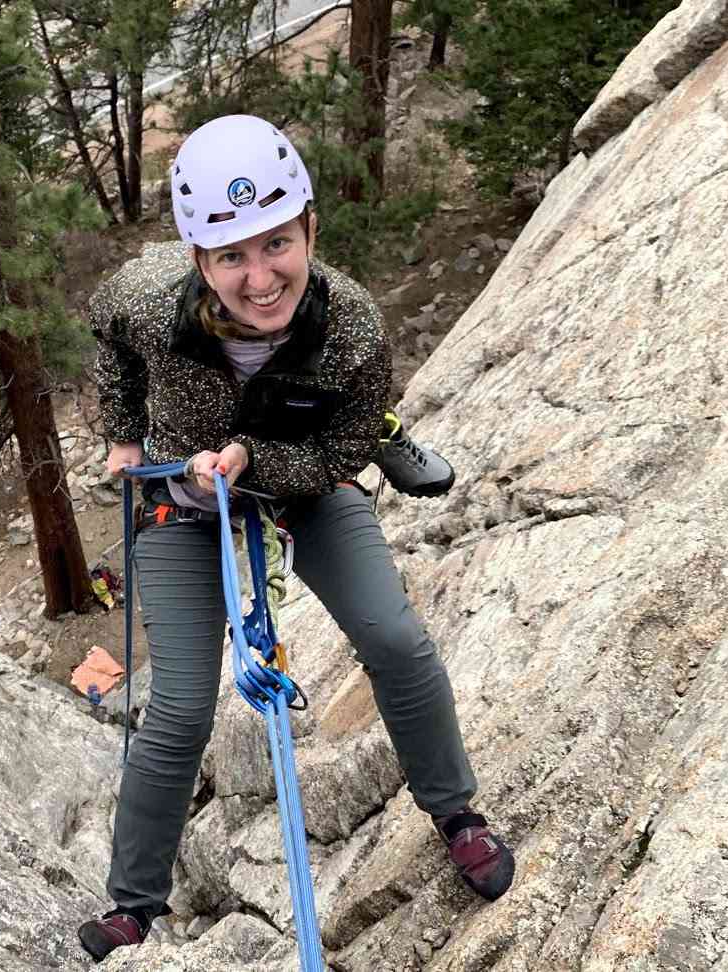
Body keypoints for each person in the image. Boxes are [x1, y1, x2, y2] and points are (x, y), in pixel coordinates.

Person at [77, 114, 514, 963]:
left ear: (310, 227)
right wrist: (127, 432)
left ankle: (456, 810)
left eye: (276, 243)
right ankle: (133, 902)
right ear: (198, 260)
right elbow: (108, 337)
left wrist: (253, 457)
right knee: (179, 703)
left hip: (303, 485)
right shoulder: (148, 301)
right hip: (184, 503)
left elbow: (343, 446)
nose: (259, 275)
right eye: (229, 256)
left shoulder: (351, 324)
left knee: (394, 637)